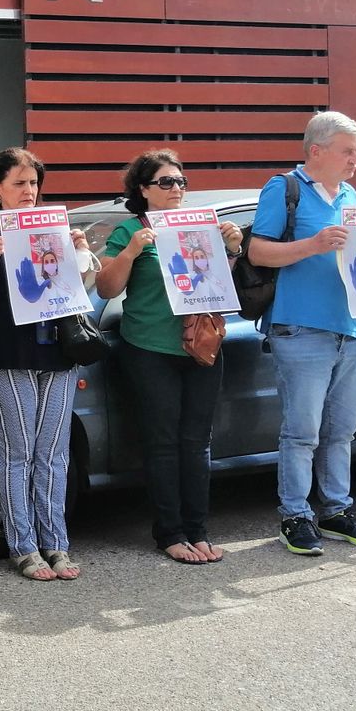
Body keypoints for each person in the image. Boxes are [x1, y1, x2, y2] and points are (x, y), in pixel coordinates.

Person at [248, 113, 356, 556]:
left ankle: (337, 510)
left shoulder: (353, 195)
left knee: (341, 430)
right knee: (302, 432)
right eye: (348, 150)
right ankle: (295, 515)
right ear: (316, 150)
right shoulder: (284, 188)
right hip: (301, 327)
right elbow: (258, 251)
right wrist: (313, 244)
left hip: (352, 328)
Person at [0, 147, 96, 581]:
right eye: (19, 183)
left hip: (57, 352)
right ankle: (23, 546)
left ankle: (57, 544)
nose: (29, 191)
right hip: (1, 355)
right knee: (15, 453)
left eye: (33, 183)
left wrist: (80, 253)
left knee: (54, 453)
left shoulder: (53, 228)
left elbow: (75, 287)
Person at [95, 149, 242, 565]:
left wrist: (230, 250)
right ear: (143, 190)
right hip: (149, 348)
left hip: (200, 345)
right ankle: (170, 533)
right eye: (166, 182)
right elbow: (106, 288)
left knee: (197, 442)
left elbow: (214, 286)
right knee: (162, 443)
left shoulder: (202, 227)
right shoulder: (129, 230)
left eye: (180, 182)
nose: (176, 188)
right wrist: (132, 251)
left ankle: (198, 530)